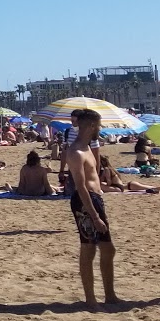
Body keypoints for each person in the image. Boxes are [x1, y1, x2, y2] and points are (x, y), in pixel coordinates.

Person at [63, 109, 117, 309]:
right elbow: (81, 186)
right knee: (88, 249)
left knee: (108, 249)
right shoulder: (76, 152)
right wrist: (94, 216)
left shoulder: (88, 149)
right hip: (84, 202)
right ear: (92, 126)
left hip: (96, 199)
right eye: (99, 125)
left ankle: (110, 295)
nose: (100, 129)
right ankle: (91, 299)